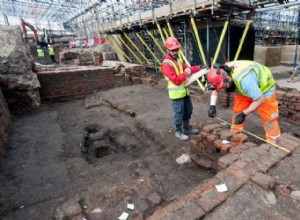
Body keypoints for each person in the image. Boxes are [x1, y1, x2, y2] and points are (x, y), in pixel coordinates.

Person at [206, 60, 281, 143]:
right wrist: (212, 106)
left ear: (227, 78)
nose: (223, 88)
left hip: (265, 88)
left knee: (268, 116)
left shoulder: (245, 81)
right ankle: (235, 133)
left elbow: (260, 100)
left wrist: (244, 114)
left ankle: (273, 140)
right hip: (244, 88)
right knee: (238, 111)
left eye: (223, 86)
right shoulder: (222, 71)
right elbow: (216, 88)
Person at [161, 37, 202, 141]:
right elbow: (177, 80)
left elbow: (188, 69)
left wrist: (199, 68)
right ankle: (178, 131)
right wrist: (186, 73)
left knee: (188, 110)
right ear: (167, 50)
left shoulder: (178, 60)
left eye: (177, 49)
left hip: (184, 92)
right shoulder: (166, 64)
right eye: (173, 50)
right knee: (179, 113)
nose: (175, 52)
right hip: (176, 95)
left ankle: (187, 128)